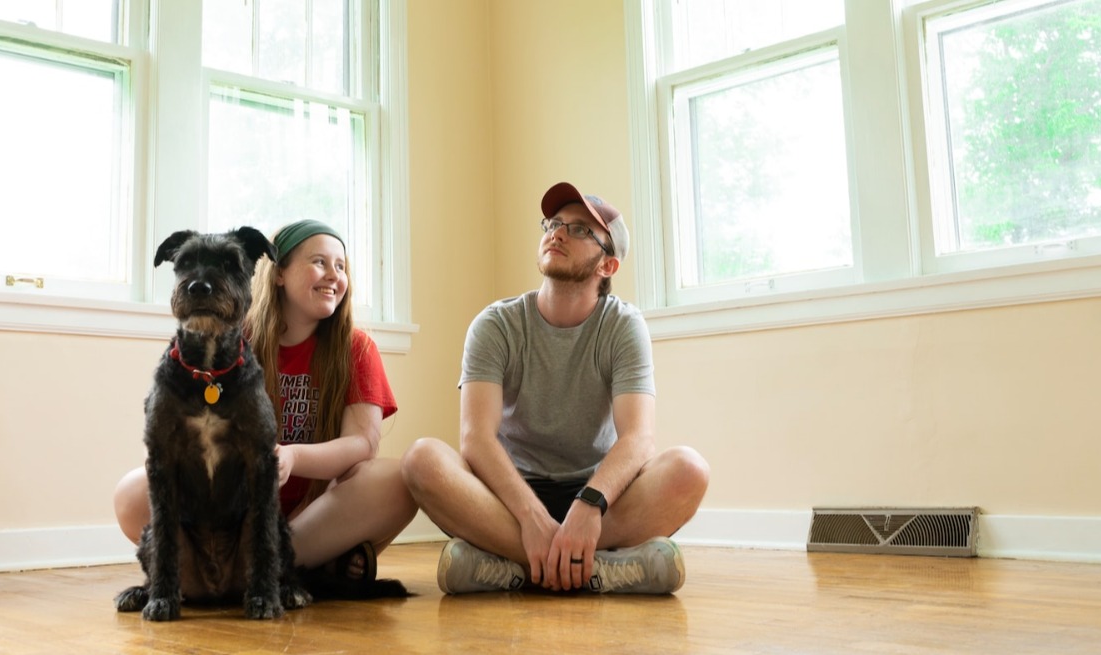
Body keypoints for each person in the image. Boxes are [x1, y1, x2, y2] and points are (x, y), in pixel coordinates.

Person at [402, 182, 710, 595]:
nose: (558, 233)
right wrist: (530, 515)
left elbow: (639, 438)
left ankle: (510, 567)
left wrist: (590, 504)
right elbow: (476, 438)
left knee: (689, 470)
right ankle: (601, 569)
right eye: (554, 223)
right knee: (422, 460)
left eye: (581, 230)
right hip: (509, 496)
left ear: (608, 266)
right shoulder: (496, 324)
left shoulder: (623, 325)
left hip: (599, 495)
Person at [114, 219, 415, 584]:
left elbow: (363, 444)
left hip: (315, 511)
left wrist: (292, 456)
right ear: (279, 274)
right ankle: (302, 568)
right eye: (319, 261)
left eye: (341, 266)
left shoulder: (357, 348)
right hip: (230, 513)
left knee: (399, 480)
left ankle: (272, 563)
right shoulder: (233, 337)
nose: (333, 274)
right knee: (131, 493)